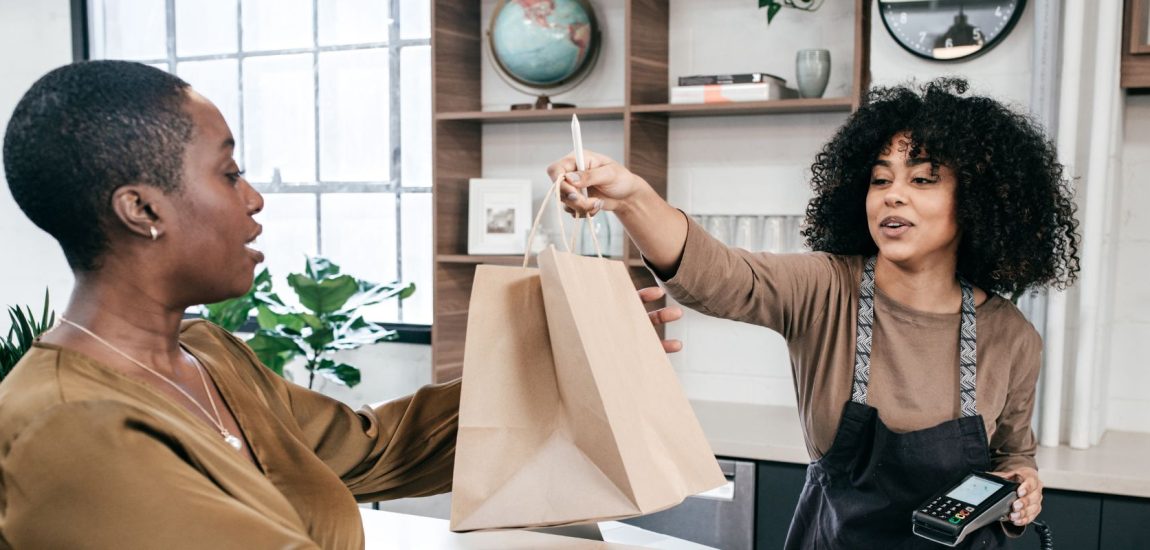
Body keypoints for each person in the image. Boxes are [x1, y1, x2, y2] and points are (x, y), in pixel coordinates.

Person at [0, 60, 679, 549]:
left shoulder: (210, 356)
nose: (255, 198)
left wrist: (572, 355)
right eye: (229, 173)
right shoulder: (67, 429)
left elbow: (375, 448)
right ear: (142, 208)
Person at [548, 78, 1080, 548]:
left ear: (976, 202)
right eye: (880, 179)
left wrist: (1022, 490)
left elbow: (1013, 454)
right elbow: (719, 275)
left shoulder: (1012, 336)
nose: (893, 196)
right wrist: (632, 199)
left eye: (921, 180)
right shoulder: (827, 288)